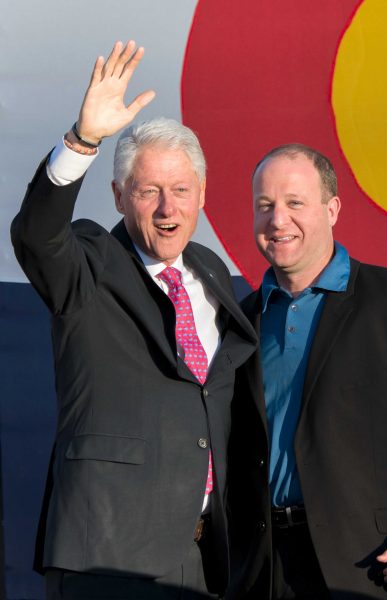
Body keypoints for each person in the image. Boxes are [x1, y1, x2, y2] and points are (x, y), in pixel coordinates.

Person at [10, 41, 257, 599]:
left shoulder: (212, 272)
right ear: (120, 197)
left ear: (201, 196)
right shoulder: (91, 265)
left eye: (181, 191)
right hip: (107, 558)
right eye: (149, 193)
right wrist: (83, 140)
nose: (168, 209)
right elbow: (36, 235)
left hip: (202, 560)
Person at [226, 144, 387, 599]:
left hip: (378, 571)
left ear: (332, 209)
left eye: (294, 203)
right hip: (270, 573)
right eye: (264, 206)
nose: (277, 220)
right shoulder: (239, 322)